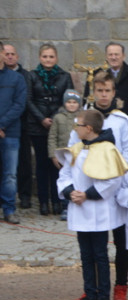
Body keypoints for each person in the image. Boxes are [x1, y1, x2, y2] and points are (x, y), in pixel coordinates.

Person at [68, 70, 128, 300]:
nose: (104, 95)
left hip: (115, 185)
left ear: (114, 92)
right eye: (100, 90)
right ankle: (92, 291)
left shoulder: (121, 121)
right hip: (88, 189)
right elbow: (71, 152)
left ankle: (120, 286)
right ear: (94, 92)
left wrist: (118, 172)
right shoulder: (85, 119)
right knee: (90, 247)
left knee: (120, 241)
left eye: (108, 90)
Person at [56, 109, 128, 300]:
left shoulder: (108, 149)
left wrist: (88, 194)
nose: (75, 128)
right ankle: (90, 294)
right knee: (86, 255)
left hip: (98, 209)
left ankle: (103, 297)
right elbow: (65, 174)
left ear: (88, 128)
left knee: (100, 254)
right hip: (79, 208)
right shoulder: (76, 148)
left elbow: (114, 179)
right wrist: (70, 192)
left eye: (77, 125)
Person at [26, 44, 73, 216]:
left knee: (57, 165)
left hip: (58, 125)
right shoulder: (31, 76)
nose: (48, 60)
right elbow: (29, 99)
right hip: (37, 126)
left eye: (51, 56)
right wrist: (41, 119)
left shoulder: (64, 76)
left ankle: (58, 201)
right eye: (45, 56)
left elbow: (67, 99)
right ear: (40, 58)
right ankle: (43, 202)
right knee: (41, 164)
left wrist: (55, 118)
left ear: (57, 58)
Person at [0, 41, 28, 224]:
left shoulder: (16, 79)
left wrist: (1, 125)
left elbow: (19, 104)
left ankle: (9, 209)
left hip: (9, 133)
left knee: (10, 174)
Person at [48, 89, 83, 220]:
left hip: (78, 156)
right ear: (64, 103)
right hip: (63, 156)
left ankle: (77, 204)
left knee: (78, 181)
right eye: (69, 102)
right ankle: (65, 207)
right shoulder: (58, 118)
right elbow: (52, 137)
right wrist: (53, 155)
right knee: (65, 181)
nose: (72, 105)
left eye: (75, 102)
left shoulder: (82, 118)